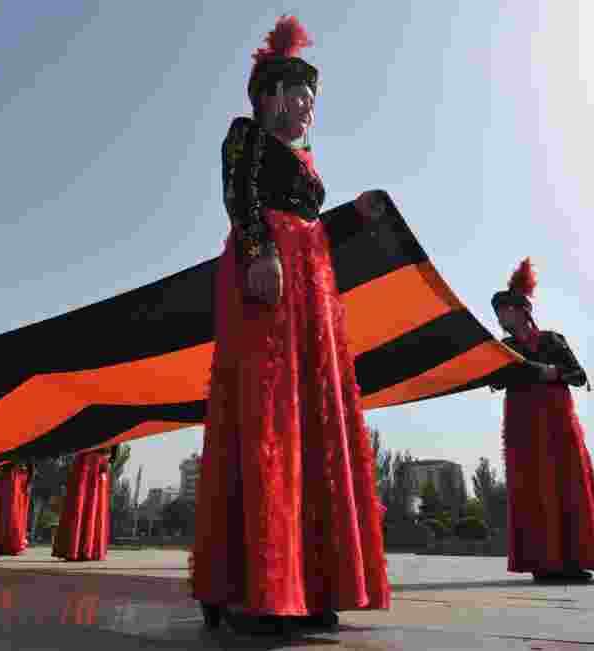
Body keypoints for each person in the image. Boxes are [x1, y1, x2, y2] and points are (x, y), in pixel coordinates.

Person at [191, 15, 390, 634]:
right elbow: (239, 196)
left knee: (312, 414)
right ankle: (256, 584)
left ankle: (312, 580)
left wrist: (356, 215)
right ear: (268, 94)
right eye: (295, 92)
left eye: (311, 97)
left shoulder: (305, 162)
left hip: (313, 281)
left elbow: (319, 226)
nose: (306, 106)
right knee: (268, 408)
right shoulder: (246, 136)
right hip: (271, 264)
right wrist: (259, 251)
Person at [490, 258, 594, 582]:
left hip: (557, 425)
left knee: (565, 485)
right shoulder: (504, 349)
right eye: (497, 314)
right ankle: (542, 563)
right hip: (522, 427)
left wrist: (555, 373)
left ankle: (571, 561)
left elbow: (579, 376)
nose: (500, 318)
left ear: (521, 310)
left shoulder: (552, 341)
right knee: (531, 489)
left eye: (504, 311)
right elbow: (493, 381)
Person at [52, 447, 114, 562]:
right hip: (88, 460)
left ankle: (80, 549)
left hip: (94, 461)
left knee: (88, 505)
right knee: (83, 504)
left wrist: (109, 459)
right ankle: (80, 549)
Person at [0, 461, 34, 556]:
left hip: (17, 475)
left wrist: (29, 478)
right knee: (11, 511)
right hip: (13, 475)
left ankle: (7, 543)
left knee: (12, 512)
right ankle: (9, 544)